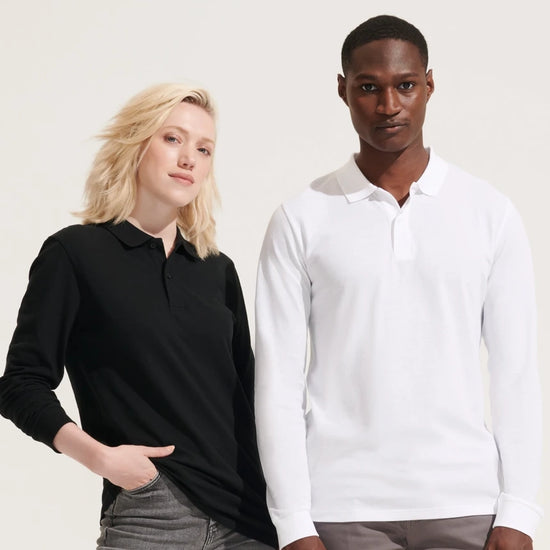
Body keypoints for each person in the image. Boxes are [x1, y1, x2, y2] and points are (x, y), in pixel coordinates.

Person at [254, 15, 541, 550]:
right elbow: (277, 382)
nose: (389, 105)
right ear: (342, 90)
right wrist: (293, 524)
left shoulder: (489, 213)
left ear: (429, 85)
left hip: (467, 504)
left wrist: (521, 510)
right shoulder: (301, 218)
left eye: (405, 85)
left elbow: (517, 372)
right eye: (369, 88)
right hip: (341, 508)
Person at [0, 83, 277, 550]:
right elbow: (21, 383)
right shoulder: (75, 254)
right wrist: (101, 459)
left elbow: (248, 397)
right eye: (172, 138)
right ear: (135, 143)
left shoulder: (216, 270)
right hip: (151, 514)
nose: (189, 158)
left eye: (204, 149)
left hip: (247, 517)